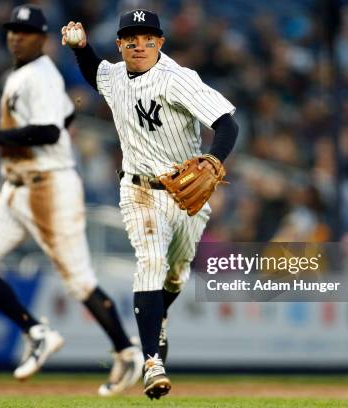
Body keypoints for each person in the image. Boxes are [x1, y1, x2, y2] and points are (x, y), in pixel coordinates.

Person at [0, 5, 142, 396]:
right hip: (16, 188)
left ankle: (127, 353)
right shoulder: (26, 76)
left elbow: (49, 133)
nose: (15, 36)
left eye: (25, 31)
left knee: (79, 282)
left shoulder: (39, 75)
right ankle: (37, 332)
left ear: (41, 38)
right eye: (12, 30)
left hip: (50, 188)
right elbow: (66, 118)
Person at [61, 9, 239, 399]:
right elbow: (96, 75)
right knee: (151, 263)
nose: (138, 45)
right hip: (139, 190)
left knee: (175, 275)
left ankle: (157, 324)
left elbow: (227, 122)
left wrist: (213, 160)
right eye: (130, 39)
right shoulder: (114, 74)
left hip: (185, 195)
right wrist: (81, 48)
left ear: (160, 42)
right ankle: (151, 362)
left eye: (147, 38)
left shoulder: (177, 79)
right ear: (120, 44)